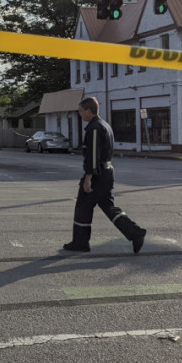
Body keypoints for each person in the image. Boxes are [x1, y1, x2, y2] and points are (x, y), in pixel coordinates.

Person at [63, 97, 146, 254]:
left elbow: (93, 155)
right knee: (107, 207)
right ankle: (135, 233)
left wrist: (88, 178)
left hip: (98, 174)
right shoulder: (104, 125)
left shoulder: (94, 128)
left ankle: (80, 243)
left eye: (81, 111)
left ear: (88, 110)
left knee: (83, 206)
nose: (80, 114)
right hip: (105, 172)